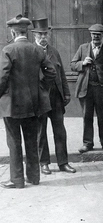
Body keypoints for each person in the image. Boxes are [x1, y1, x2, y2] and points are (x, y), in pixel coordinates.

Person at [0, 15, 56, 189]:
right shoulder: (37, 50)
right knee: (32, 140)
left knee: (14, 142)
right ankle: (33, 177)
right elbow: (51, 72)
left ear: (12, 31)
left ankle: (17, 180)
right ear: (26, 32)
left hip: (12, 105)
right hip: (33, 104)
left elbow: (2, 77)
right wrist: (40, 88)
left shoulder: (7, 50)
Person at [32, 18, 76, 174]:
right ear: (34, 35)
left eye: (45, 34)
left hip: (56, 97)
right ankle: (44, 163)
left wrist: (66, 92)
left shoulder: (54, 51)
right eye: (40, 34)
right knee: (40, 132)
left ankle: (63, 162)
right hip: (40, 98)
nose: (43, 37)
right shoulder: (31, 51)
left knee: (60, 131)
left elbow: (61, 73)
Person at [71, 24, 103, 154]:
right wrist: (82, 63)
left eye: (98, 35)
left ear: (102, 36)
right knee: (87, 116)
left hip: (101, 89)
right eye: (93, 35)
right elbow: (73, 64)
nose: (96, 37)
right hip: (86, 88)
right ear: (90, 35)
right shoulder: (83, 48)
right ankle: (87, 143)